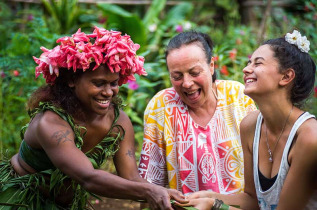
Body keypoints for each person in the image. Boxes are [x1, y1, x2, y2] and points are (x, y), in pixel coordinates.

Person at [0, 26, 187, 209]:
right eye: (98, 84)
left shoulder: (118, 122)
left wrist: (159, 192)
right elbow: (88, 177)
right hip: (19, 199)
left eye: (113, 83)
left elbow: (130, 178)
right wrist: (148, 192)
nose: (108, 92)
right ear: (71, 80)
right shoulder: (51, 123)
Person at [179, 30, 317, 210]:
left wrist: (215, 206)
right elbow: (253, 200)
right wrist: (207, 195)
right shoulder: (251, 126)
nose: (246, 69)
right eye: (248, 62)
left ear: (286, 77)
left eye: (257, 63)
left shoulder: (309, 138)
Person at [138, 31, 257, 197]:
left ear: (211, 66)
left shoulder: (237, 96)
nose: (187, 83)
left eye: (194, 73)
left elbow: (261, 167)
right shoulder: (161, 106)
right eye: (177, 76)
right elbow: (150, 183)